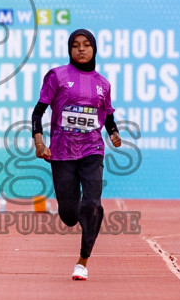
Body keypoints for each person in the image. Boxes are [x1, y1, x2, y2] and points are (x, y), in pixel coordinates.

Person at [32, 29, 122, 281]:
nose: (81, 49)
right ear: (69, 50)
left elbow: (108, 116)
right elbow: (37, 113)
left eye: (86, 45)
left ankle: (82, 261)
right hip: (62, 154)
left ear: (94, 50)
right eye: (75, 45)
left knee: (92, 205)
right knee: (70, 216)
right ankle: (83, 214)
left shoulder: (103, 83)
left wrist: (113, 133)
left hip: (92, 150)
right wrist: (39, 143)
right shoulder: (57, 76)